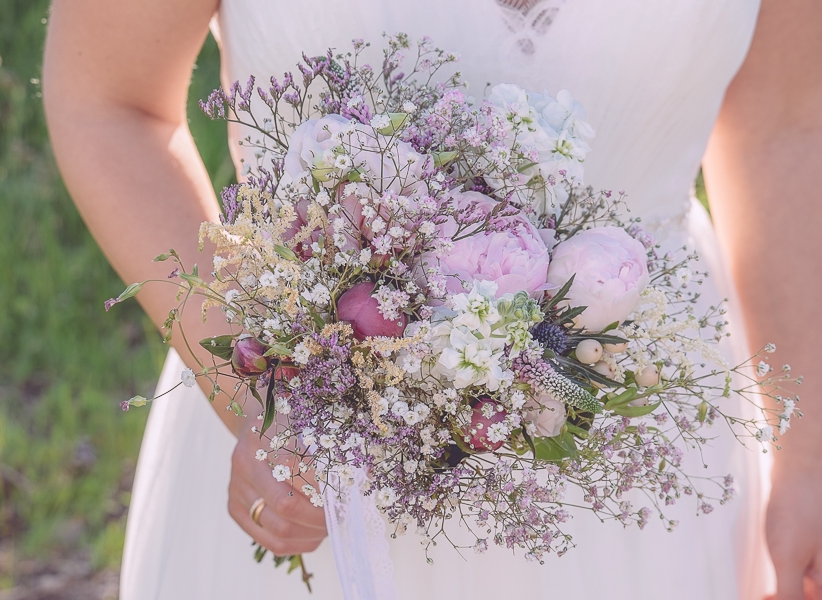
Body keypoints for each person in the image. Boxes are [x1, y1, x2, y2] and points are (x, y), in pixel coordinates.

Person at [42, 1, 822, 598]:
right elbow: (110, 101)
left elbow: (782, 125)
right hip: (313, 466)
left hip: (652, 475)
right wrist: (265, 410)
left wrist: (810, 452)